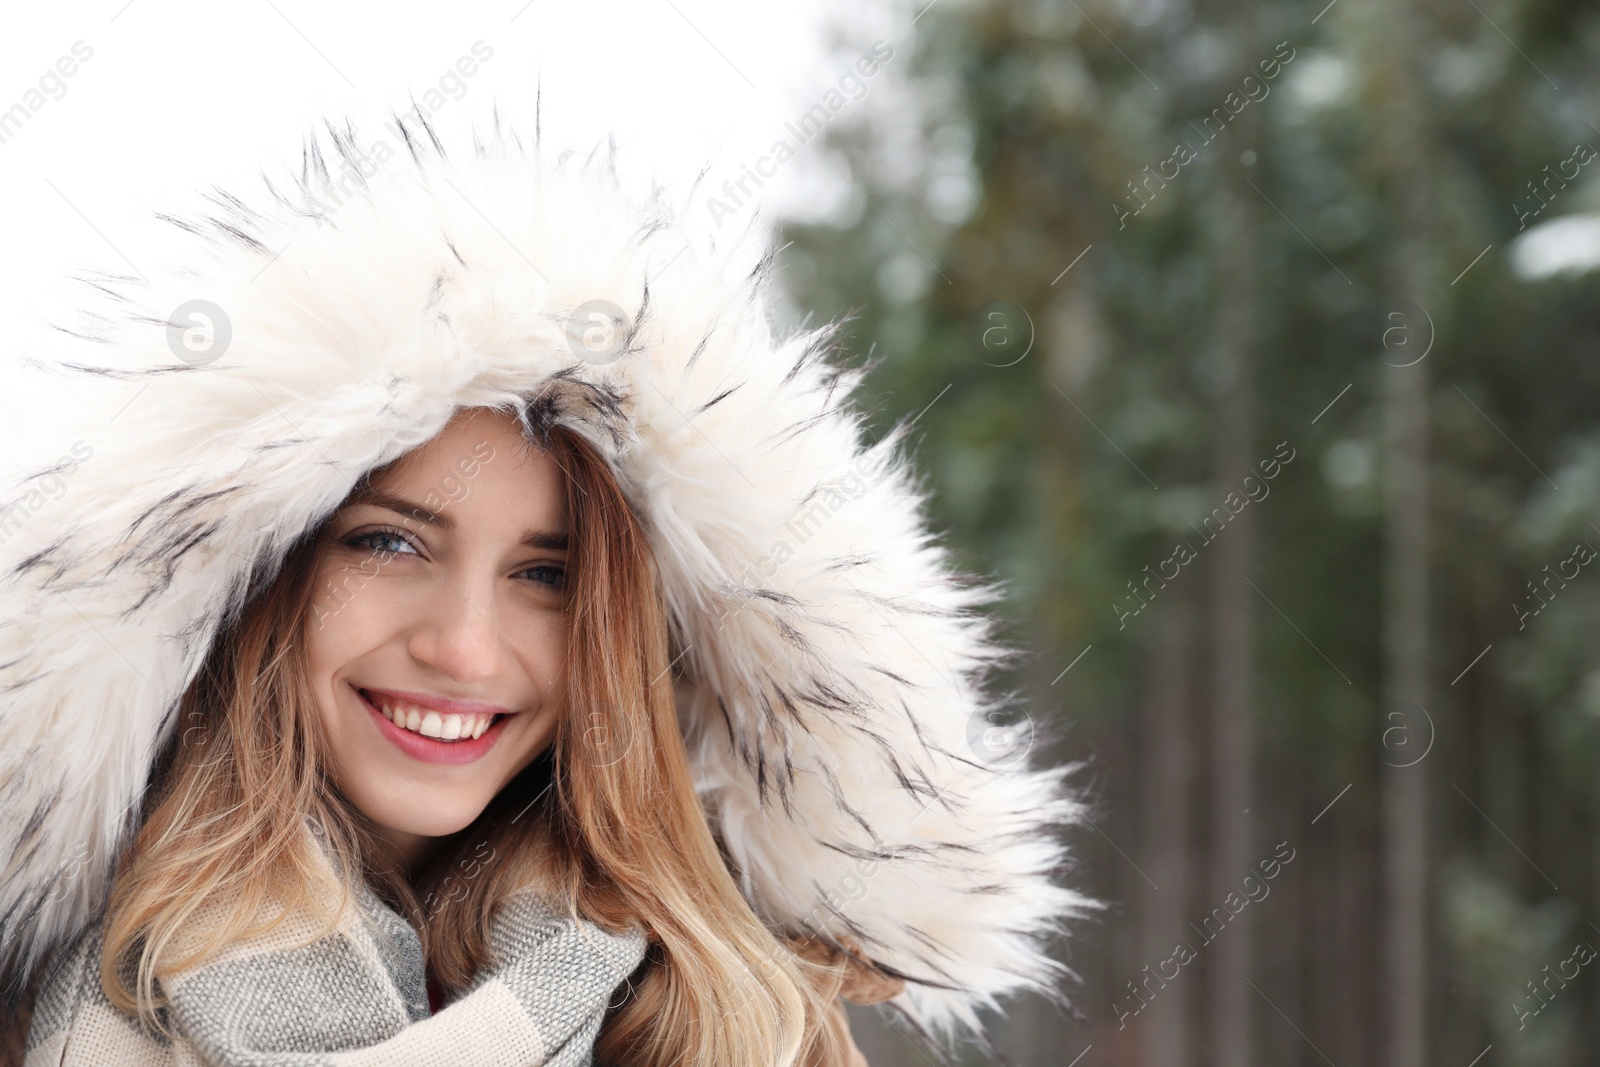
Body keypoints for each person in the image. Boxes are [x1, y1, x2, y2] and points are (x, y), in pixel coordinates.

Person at [0, 108, 1096, 1066]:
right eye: (388, 543)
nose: (467, 649)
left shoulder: (738, 1017)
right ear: (255, 579)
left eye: (546, 574)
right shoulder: (57, 1005)